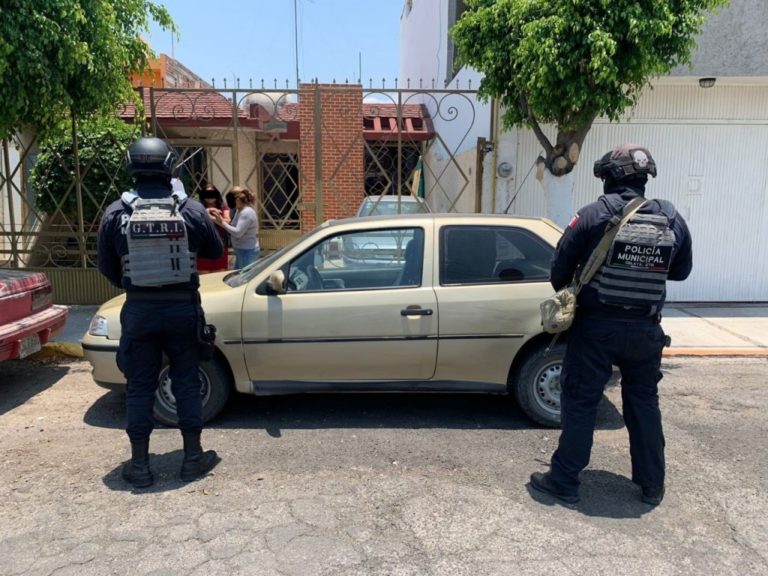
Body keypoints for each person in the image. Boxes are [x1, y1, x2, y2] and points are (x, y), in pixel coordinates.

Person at [530, 144, 693, 507]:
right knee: (643, 403)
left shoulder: (592, 215)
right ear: (644, 179)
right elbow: (681, 271)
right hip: (646, 331)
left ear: (608, 178)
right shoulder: (671, 217)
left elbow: (558, 274)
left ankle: (564, 481)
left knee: (581, 401)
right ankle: (652, 485)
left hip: (595, 330)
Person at [97, 136, 224, 488]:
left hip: (139, 311)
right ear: (171, 167)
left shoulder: (116, 212)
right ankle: (193, 458)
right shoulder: (191, 210)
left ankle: (139, 466)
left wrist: (136, 286)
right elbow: (215, 251)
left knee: (140, 386)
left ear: (131, 167)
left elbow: (106, 266)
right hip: (183, 309)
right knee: (186, 381)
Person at [212, 185, 260, 269]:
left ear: (237, 200)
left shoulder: (246, 212)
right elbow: (230, 226)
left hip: (247, 251)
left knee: (244, 276)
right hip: (242, 250)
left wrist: (222, 222)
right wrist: (214, 219)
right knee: (238, 275)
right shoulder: (239, 210)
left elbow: (237, 233)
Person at [197, 184, 230, 273]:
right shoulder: (199, 207)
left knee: (219, 272)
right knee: (204, 273)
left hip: (220, 244)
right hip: (204, 245)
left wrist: (214, 218)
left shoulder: (223, 206)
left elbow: (227, 221)